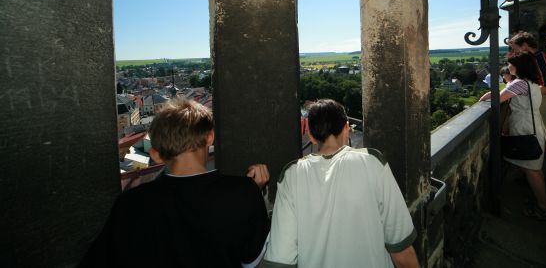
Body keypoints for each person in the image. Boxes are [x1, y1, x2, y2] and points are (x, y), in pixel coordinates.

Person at [80, 98, 271, 268]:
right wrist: (252, 193)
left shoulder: (130, 204)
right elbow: (253, 262)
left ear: (156, 155)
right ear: (210, 137)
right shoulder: (243, 194)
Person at [263, 99, 419, 268]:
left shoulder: (291, 176)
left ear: (311, 135)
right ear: (346, 128)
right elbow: (402, 251)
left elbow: (280, 259)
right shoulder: (372, 163)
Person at [480, 53, 546, 220]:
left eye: (510, 64)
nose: (508, 66)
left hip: (525, 127)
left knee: (532, 170)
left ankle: (544, 209)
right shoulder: (531, 82)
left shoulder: (520, 83)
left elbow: (497, 98)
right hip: (533, 125)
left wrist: (485, 96)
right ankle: (543, 201)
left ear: (518, 66)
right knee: (534, 168)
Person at [509, 31, 546, 190]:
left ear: (525, 45)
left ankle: (544, 177)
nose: (515, 52)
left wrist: (526, 88)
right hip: (541, 103)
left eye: (516, 48)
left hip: (545, 103)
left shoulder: (540, 58)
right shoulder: (534, 59)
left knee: (543, 142)